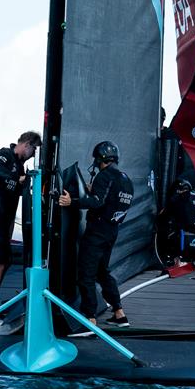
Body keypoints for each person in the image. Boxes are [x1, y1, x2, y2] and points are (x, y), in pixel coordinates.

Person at [59, 141, 133, 331]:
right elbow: (110, 201)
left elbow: (97, 203)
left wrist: (71, 202)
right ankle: (119, 313)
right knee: (102, 272)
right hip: (111, 232)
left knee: (86, 274)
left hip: (97, 232)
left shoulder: (104, 176)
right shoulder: (125, 179)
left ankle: (89, 319)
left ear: (100, 158)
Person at [0, 131, 42, 322]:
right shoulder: (4, 155)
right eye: (34, 150)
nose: (33, 154)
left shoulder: (20, 166)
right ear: (27, 144)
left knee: (5, 261)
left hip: (4, 218)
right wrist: (18, 180)